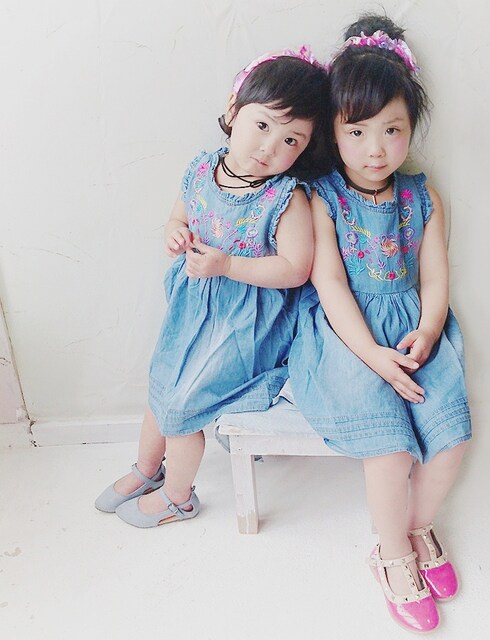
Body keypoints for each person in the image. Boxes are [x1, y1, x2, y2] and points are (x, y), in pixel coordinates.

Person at [288, 15, 472, 633]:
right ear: (334, 133)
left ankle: (414, 527)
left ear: (411, 127)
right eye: (357, 131)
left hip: (412, 326)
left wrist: (429, 329)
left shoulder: (423, 196)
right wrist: (372, 355)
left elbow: (436, 277)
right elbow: (329, 285)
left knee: (451, 437)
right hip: (345, 337)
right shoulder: (322, 197)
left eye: (392, 130)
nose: (375, 149)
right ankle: (392, 556)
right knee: (390, 451)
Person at [95, 46, 329, 528]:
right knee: (161, 383)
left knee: (183, 405)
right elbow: (179, 215)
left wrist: (228, 265)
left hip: (245, 322)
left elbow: (295, 269)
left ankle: (179, 497)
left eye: (290, 140)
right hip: (193, 308)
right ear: (233, 109)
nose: (269, 147)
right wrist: (175, 233)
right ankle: (148, 469)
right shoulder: (204, 169)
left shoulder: (286, 199)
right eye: (262, 125)